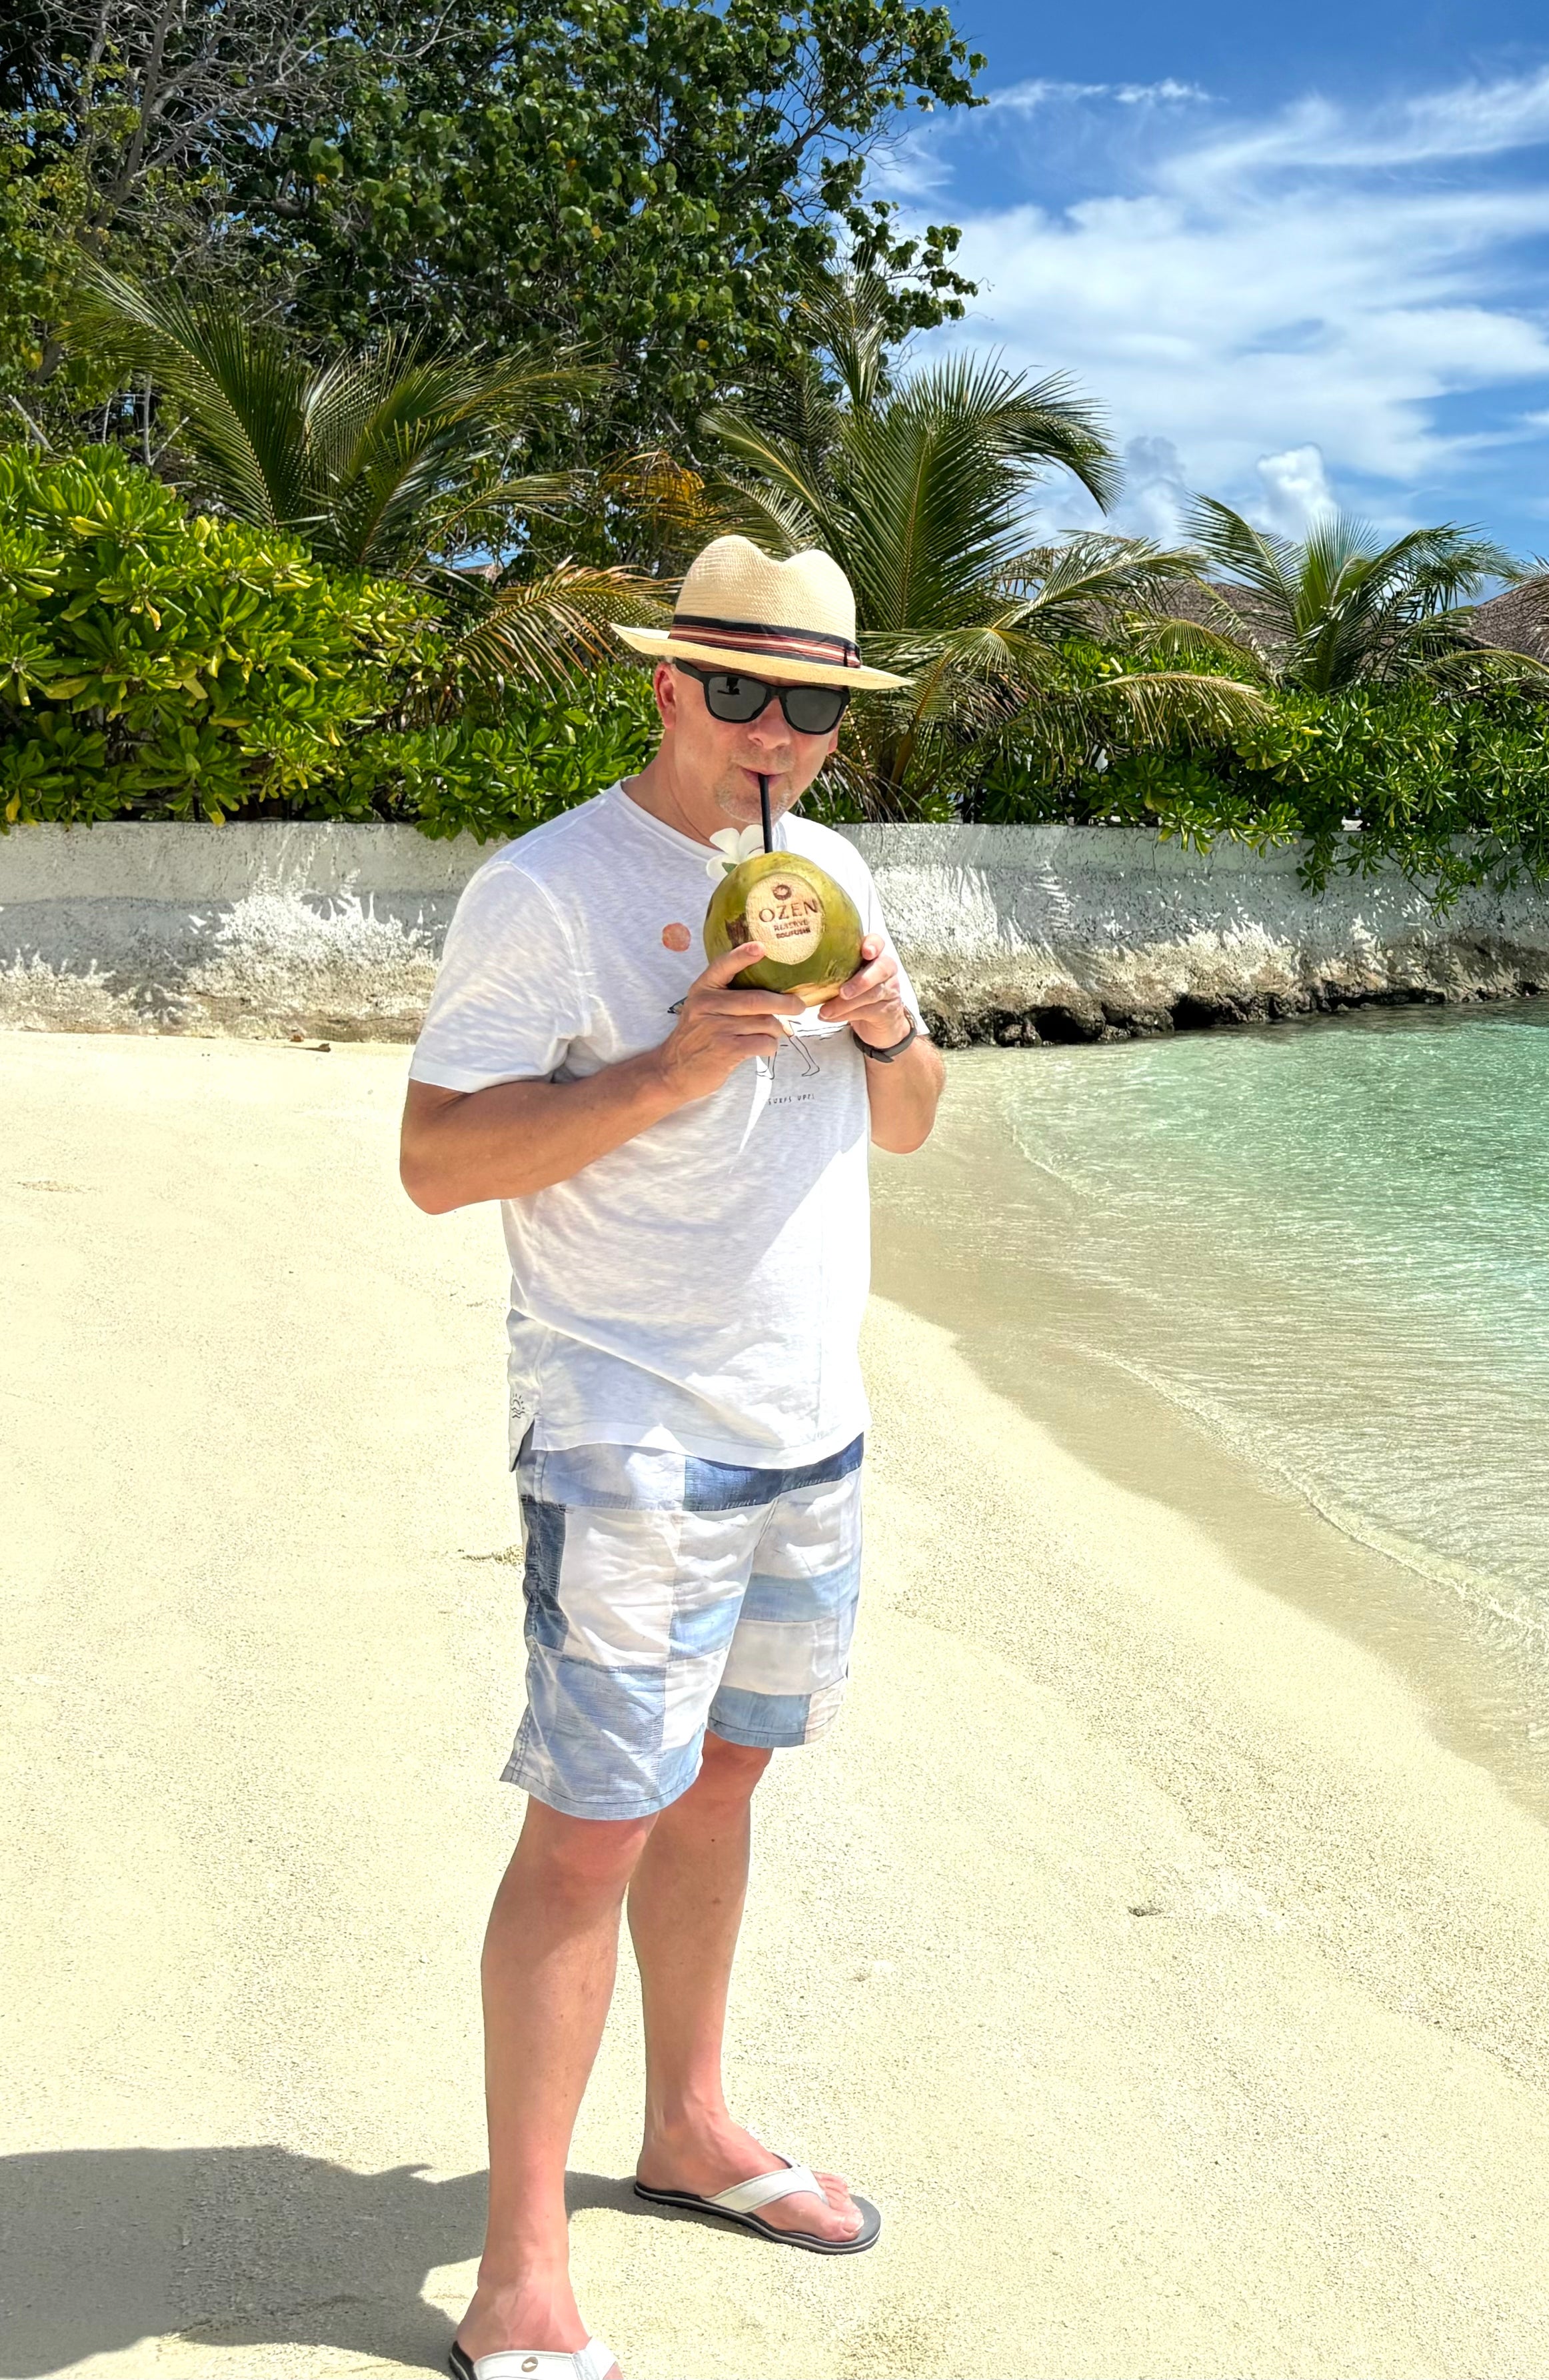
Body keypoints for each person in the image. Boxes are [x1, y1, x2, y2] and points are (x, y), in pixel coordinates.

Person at [399, 538, 946, 2380]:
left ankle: (689, 2120)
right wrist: (665, 1067)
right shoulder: (548, 888)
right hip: (629, 1422)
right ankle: (521, 2261)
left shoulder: (838, 872)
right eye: (739, 692)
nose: (773, 731)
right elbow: (435, 1161)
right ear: (665, 688)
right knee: (590, 1826)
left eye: (812, 706)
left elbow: (921, 1123)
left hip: (810, 1418)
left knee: (720, 1785)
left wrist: (882, 1023)